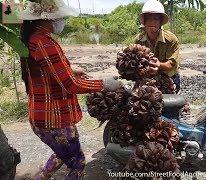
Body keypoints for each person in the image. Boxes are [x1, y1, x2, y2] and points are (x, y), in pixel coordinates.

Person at [19, 0, 121, 179]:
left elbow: (42, 69)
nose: (62, 20)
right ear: (48, 18)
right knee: (77, 162)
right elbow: (71, 85)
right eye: (60, 17)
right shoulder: (44, 43)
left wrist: (70, 69)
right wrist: (104, 84)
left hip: (42, 115)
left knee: (62, 154)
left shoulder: (32, 39)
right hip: (54, 119)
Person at [134, 0, 181, 93]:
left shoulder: (171, 39)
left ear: (160, 22)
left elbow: (171, 64)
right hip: (147, 79)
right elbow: (135, 60)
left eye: (156, 19)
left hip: (169, 78)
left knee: (171, 105)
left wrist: (158, 65)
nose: (152, 22)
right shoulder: (138, 40)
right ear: (144, 22)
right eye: (149, 19)